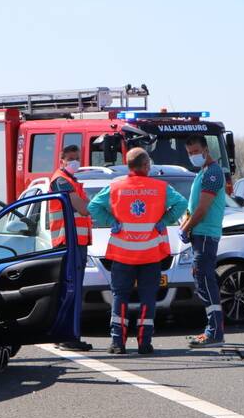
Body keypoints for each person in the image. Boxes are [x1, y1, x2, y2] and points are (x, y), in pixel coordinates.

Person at [88, 148, 187, 354]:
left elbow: (94, 206)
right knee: (147, 298)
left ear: (129, 166)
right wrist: (164, 221)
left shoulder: (116, 187)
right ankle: (144, 343)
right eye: (148, 165)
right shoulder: (160, 188)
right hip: (151, 254)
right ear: (144, 166)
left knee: (120, 297)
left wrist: (111, 222)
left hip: (123, 254)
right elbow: (181, 204)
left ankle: (118, 343)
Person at [180, 134, 227, 349]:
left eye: (196, 151)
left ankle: (215, 331)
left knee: (206, 281)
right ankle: (213, 329)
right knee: (201, 280)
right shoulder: (203, 172)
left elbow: (203, 208)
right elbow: (193, 206)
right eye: (190, 153)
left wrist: (187, 226)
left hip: (206, 234)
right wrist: (186, 223)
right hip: (200, 235)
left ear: (206, 150)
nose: (193, 156)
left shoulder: (213, 173)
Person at [50, 145, 94, 351]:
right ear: (62, 161)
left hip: (76, 242)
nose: (75, 161)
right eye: (70, 158)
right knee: (71, 290)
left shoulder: (71, 181)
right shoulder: (61, 180)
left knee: (72, 290)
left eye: (77, 158)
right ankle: (68, 336)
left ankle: (66, 335)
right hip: (69, 243)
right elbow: (84, 208)